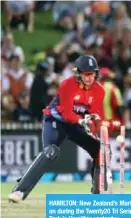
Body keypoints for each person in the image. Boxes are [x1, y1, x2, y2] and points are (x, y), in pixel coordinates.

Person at [8, 55, 108, 203]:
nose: (89, 78)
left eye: (92, 74)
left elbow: (94, 113)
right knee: (51, 152)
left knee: (101, 149)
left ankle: (98, 194)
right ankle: (19, 191)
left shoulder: (99, 90)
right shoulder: (67, 84)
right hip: (55, 121)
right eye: (86, 74)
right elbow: (67, 114)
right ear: (78, 73)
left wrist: (96, 127)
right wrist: (83, 120)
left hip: (77, 125)